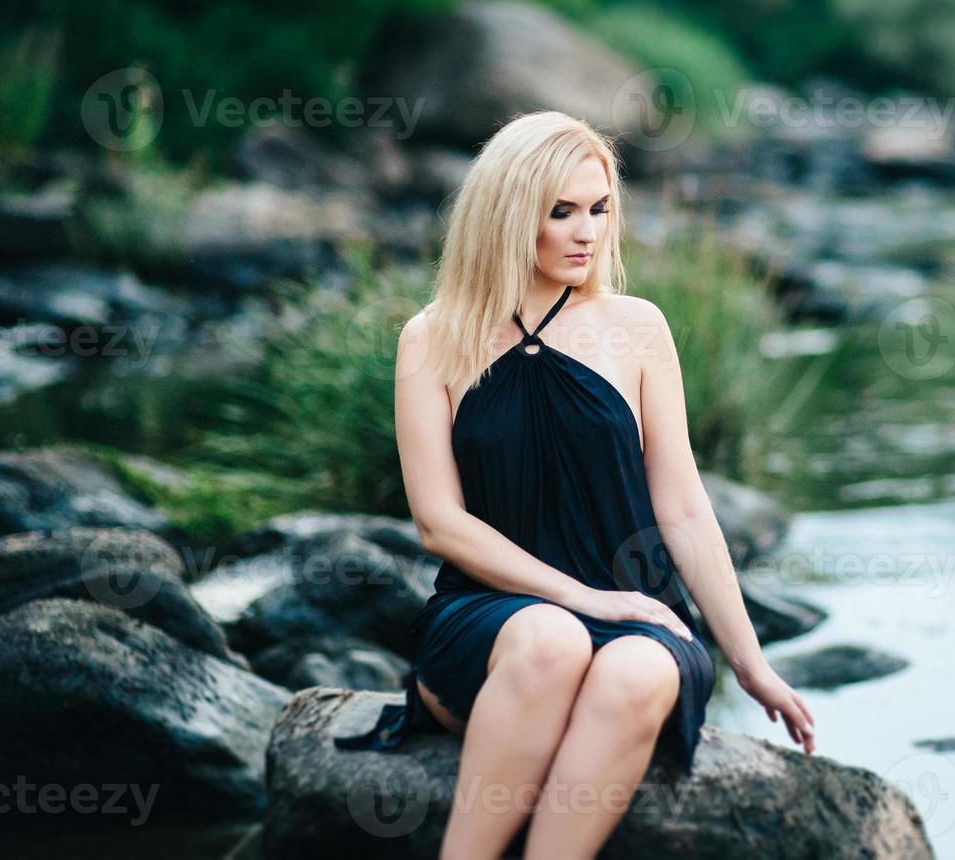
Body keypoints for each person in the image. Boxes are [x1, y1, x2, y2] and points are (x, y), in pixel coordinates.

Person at [334, 110, 815, 859]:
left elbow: (684, 506)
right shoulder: (433, 336)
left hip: (637, 613)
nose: (587, 232)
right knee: (553, 641)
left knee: (634, 669)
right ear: (507, 215)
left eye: (599, 209)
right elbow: (439, 523)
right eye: (561, 212)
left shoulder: (638, 328)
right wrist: (585, 597)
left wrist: (752, 665)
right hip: (492, 616)